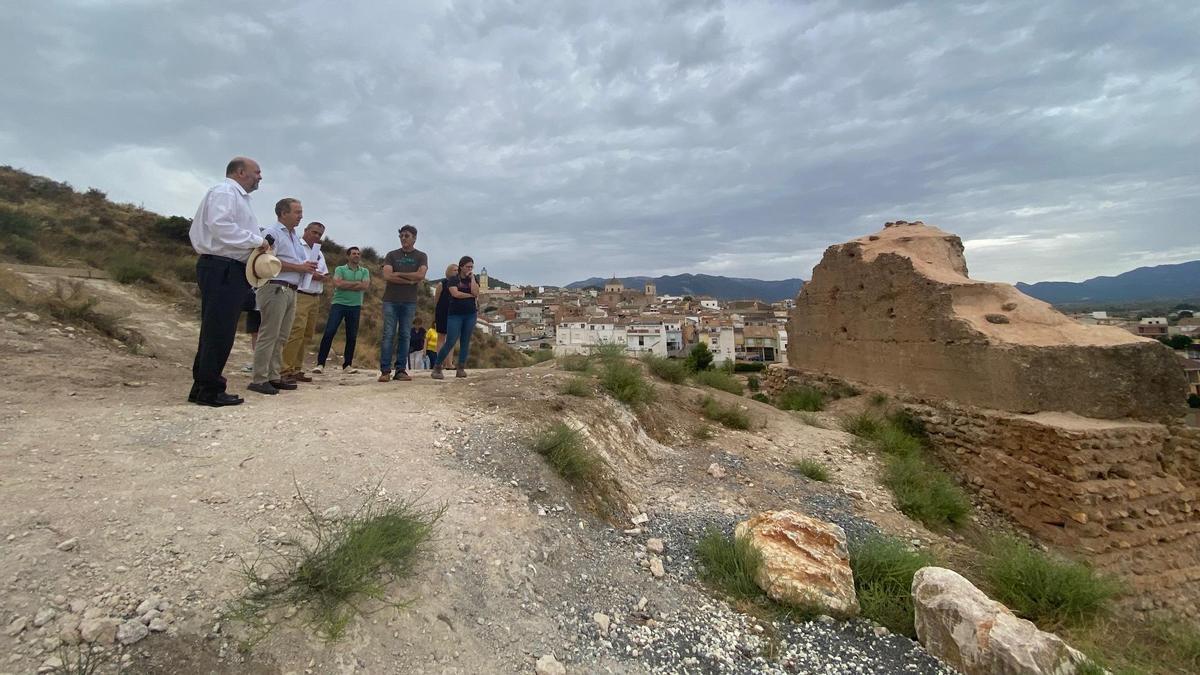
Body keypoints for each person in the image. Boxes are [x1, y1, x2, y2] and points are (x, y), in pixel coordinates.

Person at [187, 157, 267, 407]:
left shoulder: (236, 196)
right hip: (222, 267)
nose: (260, 177)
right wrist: (256, 241)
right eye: (257, 172)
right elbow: (220, 225)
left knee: (217, 329)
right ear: (241, 172)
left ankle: (202, 387)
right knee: (219, 330)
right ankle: (209, 389)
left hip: (226, 268)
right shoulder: (225, 191)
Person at [248, 198, 316, 395]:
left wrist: (304, 268)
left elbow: (292, 260)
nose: (300, 216)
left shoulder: (294, 236)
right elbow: (265, 260)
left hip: (291, 289)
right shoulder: (272, 233)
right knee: (269, 333)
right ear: (283, 213)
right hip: (275, 287)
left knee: (282, 335)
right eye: (297, 212)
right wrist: (299, 267)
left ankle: (273, 375)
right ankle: (259, 378)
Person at [378, 224, 427, 382]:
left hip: (409, 301)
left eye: (407, 236)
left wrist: (398, 273)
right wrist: (409, 279)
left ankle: (400, 370)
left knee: (405, 335)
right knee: (388, 334)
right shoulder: (391, 255)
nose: (403, 238)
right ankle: (385, 370)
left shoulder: (421, 256)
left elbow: (420, 275)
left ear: (414, 238)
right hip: (390, 300)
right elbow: (387, 276)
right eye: (401, 236)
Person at [280, 221, 329, 382]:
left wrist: (321, 277)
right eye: (314, 232)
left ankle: (296, 368)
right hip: (301, 293)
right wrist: (312, 273)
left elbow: (324, 272)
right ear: (306, 230)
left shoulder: (318, 252)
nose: (316, 236)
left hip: (315, 295)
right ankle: (284, 368)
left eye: (319, 234)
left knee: (307, 334)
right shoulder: (297, 247)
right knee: (296, 332)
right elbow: (300, 267)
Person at [315, 246, 369, 374]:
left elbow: (365, 285)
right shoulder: (340, 269)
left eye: (358, 254)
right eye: (354, 253)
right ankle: (320, 364)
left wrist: (347, 284)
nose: (356, 255)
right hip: (339, 304)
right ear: (348, 256)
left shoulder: (364, 271)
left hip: (355, 306)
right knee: (329, 332)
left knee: (351, 336)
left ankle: (347, 365)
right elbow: (337, 284)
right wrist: (356, 284)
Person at [432, 256, 479, 379]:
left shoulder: (473, 279)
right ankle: (437, 366)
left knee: (465, 341)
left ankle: (461, 368)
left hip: (470, 314)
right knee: (451, 340)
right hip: (455, 314)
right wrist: (470, 295)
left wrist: (473, 278)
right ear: (461, 267)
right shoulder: (453, 279)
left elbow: (476, 292)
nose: (469, 269)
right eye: (467, 267)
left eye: (471, 267)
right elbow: (455, 293)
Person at [434, 263, 457, 354]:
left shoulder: (458, 284)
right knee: (441, 337)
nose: (456, 272)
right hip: (442, 313)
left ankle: (449, 363)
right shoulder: (442, 284)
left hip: (454, 313)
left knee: (452, 339)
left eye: (457, 270)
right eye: (454, 270)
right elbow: (436, 299)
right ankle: (440, 361)